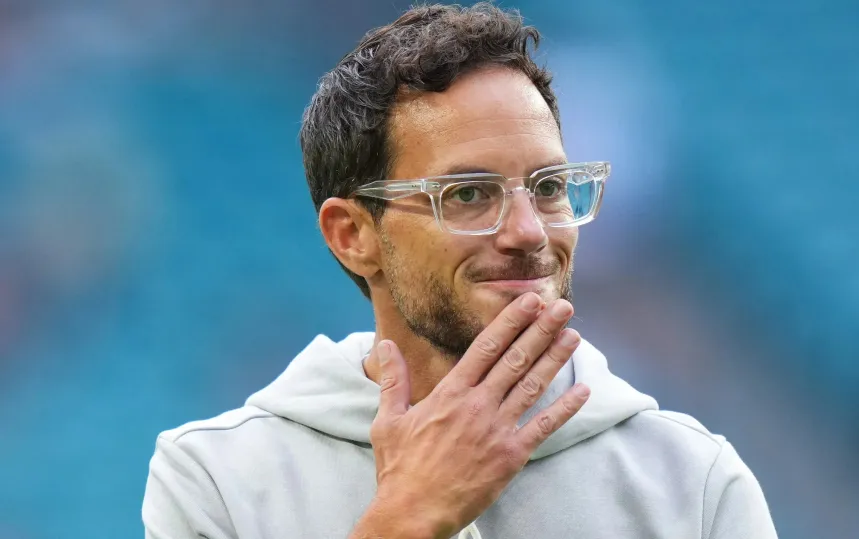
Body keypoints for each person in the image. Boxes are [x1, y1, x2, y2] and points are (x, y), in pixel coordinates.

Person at [142, 4, 777, 538]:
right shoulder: (216, 479)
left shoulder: (694, 483)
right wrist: (404, 519)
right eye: (469, 194)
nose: (529, 230)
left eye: (550, 187)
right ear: (353, 235)